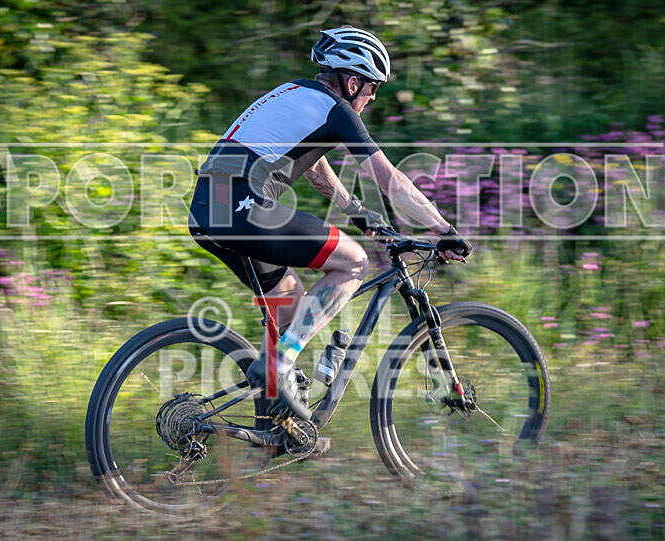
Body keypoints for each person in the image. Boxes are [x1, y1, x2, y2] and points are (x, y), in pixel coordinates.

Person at [189, 26, 472, 422]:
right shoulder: (335, 110)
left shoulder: (294, 94)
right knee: (354, 263)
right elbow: (390, 179)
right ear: (352, 81)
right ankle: (279, 365)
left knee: (288, 299)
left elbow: (313, 163)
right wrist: (444, 229)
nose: (372, 98)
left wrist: (353, 208)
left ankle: (278, 428)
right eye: (372, 88)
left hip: (207, 209)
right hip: (242, 206)